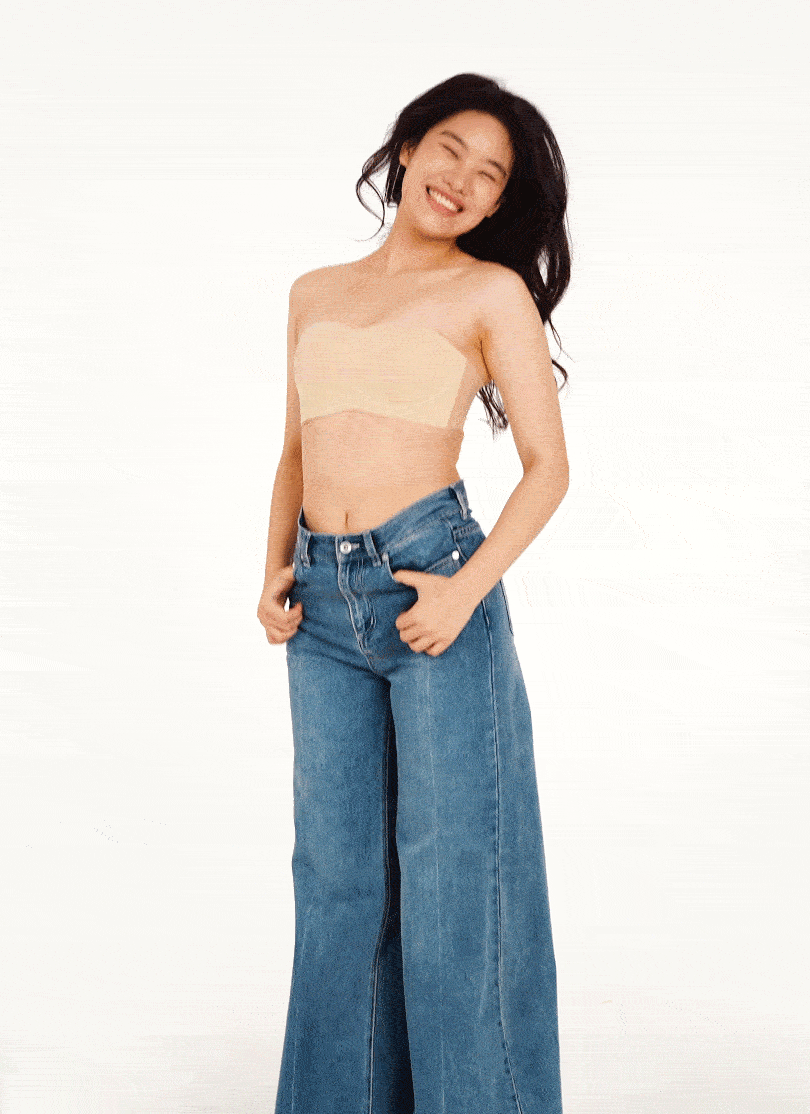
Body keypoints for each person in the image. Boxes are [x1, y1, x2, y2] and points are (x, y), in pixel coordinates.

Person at [258, 71, 571, 1114]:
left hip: (432, 580)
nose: (462, 181)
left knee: (454, 883)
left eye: (490, 177)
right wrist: (272, 569)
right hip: (320, 602)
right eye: (451, 150)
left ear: (497, 205)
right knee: (336, 881)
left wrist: (463, 593)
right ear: (407, 147)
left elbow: (548, 469)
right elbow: (295, 448)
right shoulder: (314, 290)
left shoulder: (489, 294)